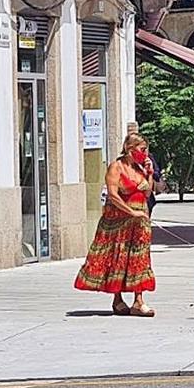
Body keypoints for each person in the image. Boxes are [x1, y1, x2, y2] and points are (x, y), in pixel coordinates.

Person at [74, 133, 157, 317]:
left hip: (140, 222)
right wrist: (131, 211)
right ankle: (117, 299)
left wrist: (149, 173)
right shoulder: (116, 167)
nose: (145, 153)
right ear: (130, 149)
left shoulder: (140, 168)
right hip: (118, 221)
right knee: (117, 257)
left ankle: (138, 301)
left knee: (140, 258)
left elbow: (147, 192)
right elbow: (113, 195)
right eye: (142, 150)